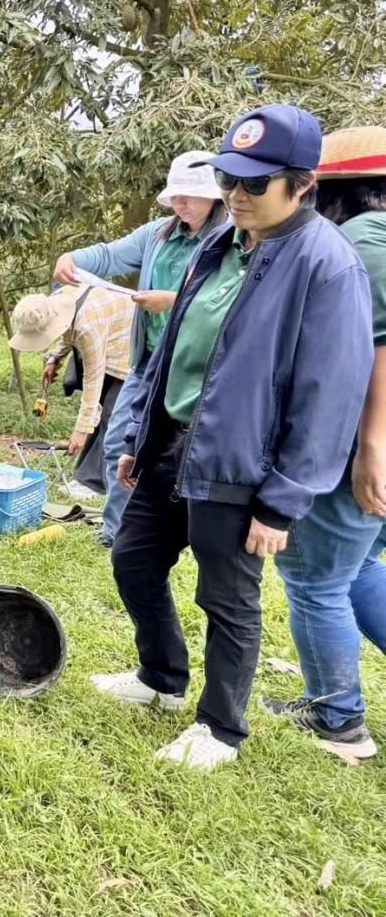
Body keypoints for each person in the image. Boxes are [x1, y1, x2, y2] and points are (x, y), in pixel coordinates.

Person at [92, 104, 373, 770]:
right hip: (175, 442)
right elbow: (175, 351)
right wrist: (140, 431)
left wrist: (284, 501)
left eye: (254, 184)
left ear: (302, 184)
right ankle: (160, 677)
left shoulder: (326, 266)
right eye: (229, 180)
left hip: (243, 461)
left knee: (227, 597)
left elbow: (330, 393)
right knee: (133, 560)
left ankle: (220, 729)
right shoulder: (221, 244)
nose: (235, 196)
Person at [265, 126, 386, 760]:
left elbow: (376, 350)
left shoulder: (360, 241)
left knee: (316, 579)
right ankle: (330, 704)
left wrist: (371, 450)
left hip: (365, 448)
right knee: (360, 566)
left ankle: (338, 719)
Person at [53, 152, 228, 546]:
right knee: (120, 441)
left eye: (189, 196)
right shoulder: (157, 235)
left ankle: (186, 535)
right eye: (175, 196)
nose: (179, 204)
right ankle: (116, 532)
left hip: (198, 366)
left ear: (214, 196)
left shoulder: (231, 238)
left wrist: (174, 300)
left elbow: (234, 297)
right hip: (148, 360)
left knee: (184, 450)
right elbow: (109, 255)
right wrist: (72, 259)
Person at [9, 284, 132, 496]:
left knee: (114, 416)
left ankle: (97, 484)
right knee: (103, 414)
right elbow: (68, 328)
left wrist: (80, 431)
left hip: (127, 348)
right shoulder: (59, 300)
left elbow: (93, 379)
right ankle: (85, 477)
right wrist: (55, 358)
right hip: (105, 335)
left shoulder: (88, 326)